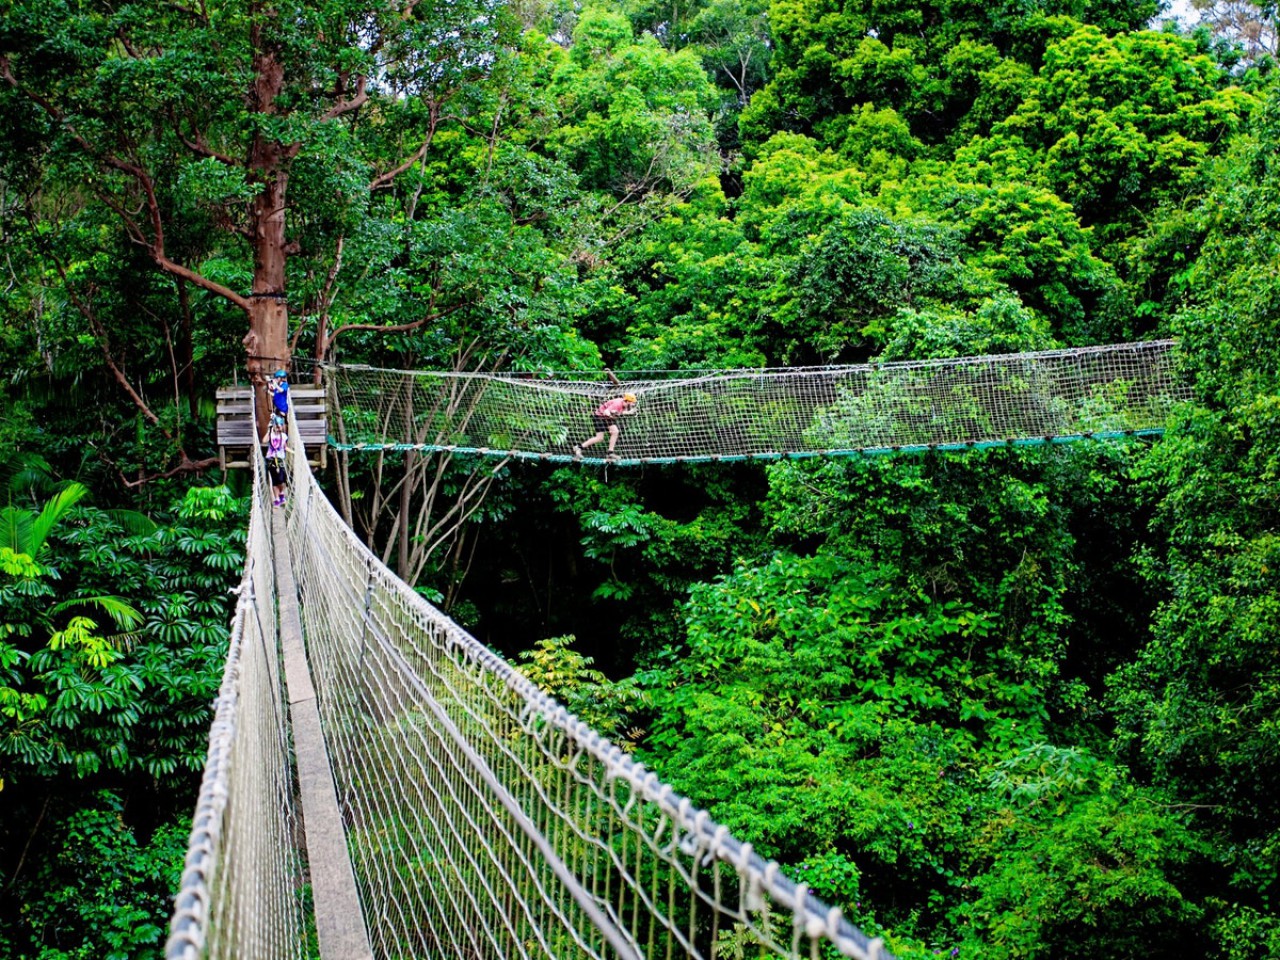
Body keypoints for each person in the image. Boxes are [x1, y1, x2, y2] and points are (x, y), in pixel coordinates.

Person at [574, 393, 637, 460]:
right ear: (627, 401)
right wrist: (611, 416)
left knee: (615, 432)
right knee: (600, 438)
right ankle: (579, 447)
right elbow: (606, 412)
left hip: (606, 418)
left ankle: (610, 453)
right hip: (599, 417)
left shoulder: (624, 405)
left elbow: (619, 412)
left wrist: (629, 412)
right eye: (632, 403)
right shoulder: (617, 403)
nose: (632, 405)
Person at [261, 414, 289, 507]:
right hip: (271, 458)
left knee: (281, 479)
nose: (278, 427)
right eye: (276, 425)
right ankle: (277, 498)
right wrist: (269, 430)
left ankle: (281, 494)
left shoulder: (284, 436)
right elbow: (264, 441)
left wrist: (295, 451)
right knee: (275, 479)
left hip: (280, 458)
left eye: (280, 425)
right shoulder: (271, 435)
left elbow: (285, 447)